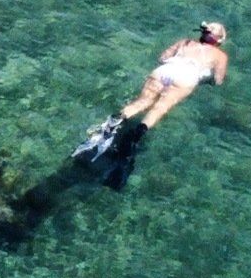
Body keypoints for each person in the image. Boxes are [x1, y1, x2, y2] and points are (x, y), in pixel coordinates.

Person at [75, 21, 230, 185]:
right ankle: (133, 139)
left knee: (140, 102)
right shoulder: (220, 55)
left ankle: (113, 123)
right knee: (159, 109)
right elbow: (218, 80)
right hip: (187, 77)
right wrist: (205, 79)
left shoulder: (185, 42)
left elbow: (163, 57)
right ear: (219, 40)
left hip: (165, 71)